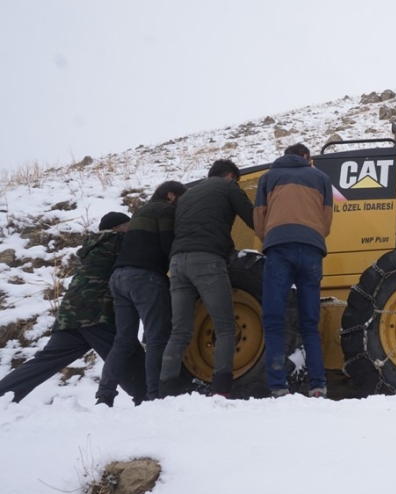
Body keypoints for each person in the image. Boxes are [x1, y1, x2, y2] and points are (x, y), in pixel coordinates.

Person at [0, 213, 146, 404]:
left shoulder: (94, 246)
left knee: (44, 362)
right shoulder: (117, 241)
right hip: (96, 314)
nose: (132, 228)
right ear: (118, 227)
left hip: (70, 313)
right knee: (128, 355)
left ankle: (4, 393)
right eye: (129, 225)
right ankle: (152, 397)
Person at [159, 159, 254, 398]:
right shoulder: (228, 187)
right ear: (230, 176)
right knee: (224, 327)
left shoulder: (187, 196)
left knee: (179, 331)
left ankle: (165, 391)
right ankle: (221, 389)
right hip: (207, 260)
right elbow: (252, 219)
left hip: (178, 263)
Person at [96, 181, 186, 406]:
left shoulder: (139, 213)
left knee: (123, 341)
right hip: (145, 278)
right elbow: (168, 246)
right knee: (157, 338)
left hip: (119, 278)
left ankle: (104, 395)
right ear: (171, 196)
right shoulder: (164, 210)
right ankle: (154, 394)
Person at [253, 143, 333, 398]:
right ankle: (318, 385)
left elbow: (259, 217)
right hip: (311, 250)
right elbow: (327, 220)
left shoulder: (268, 178)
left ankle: (278, 387)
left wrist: (273, 236)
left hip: (278, 248)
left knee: (274, 321)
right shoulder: (321, 178)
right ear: (306, 157)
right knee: (310, 322)